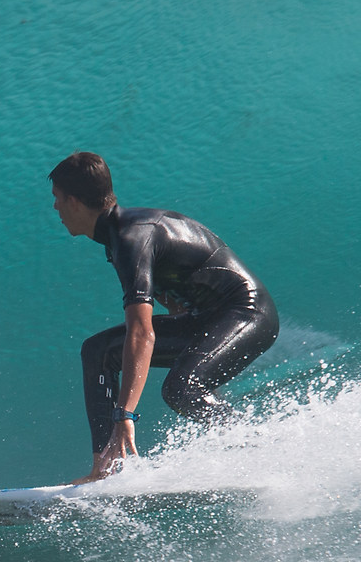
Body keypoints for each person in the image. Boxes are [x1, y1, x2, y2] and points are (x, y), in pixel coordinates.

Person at [49, 151, 278, 481]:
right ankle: (105, 469)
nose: (55, 208)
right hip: (209, 317)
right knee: (97, 351)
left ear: (73, 201)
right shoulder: (118, 237)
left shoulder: (131, 237)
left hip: (248, 313)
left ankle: (255, 447)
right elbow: (181, 288)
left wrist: (124, 413)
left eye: (57, 198)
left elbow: (141, 333)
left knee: (182, 388)